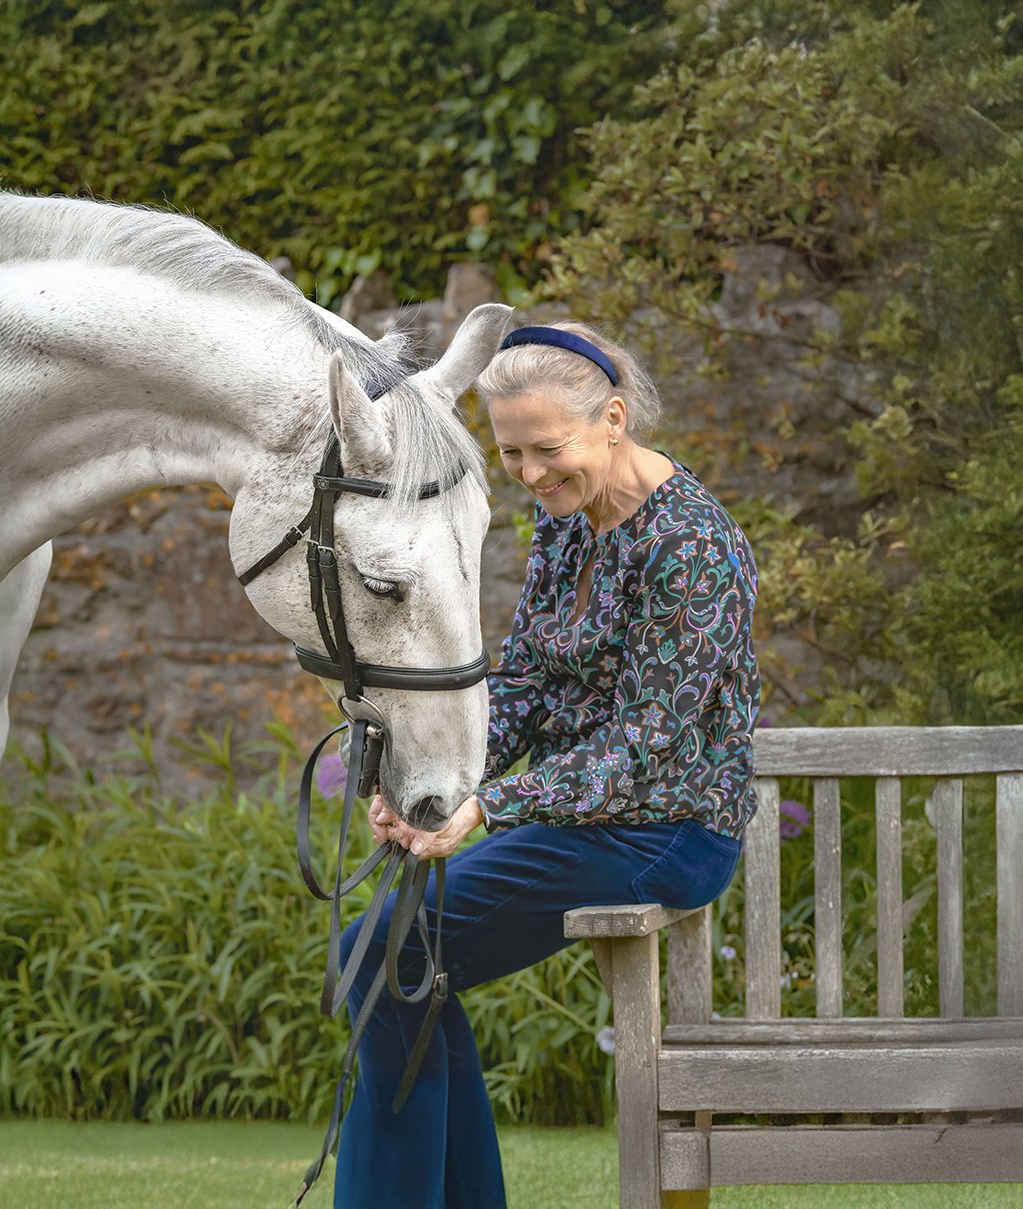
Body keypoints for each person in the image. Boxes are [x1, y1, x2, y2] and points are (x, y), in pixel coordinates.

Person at [332, 322, 760, 1208]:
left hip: (664, 827)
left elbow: (649, 743)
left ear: (612, 417)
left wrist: (488, 808)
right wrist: (426, 786)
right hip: (583, 817)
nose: (529, 473)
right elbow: (522, 678)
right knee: (388, 961)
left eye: (546, 449)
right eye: (512, 452)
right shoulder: (565, 520)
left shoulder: (693, 546)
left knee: (381, 954)